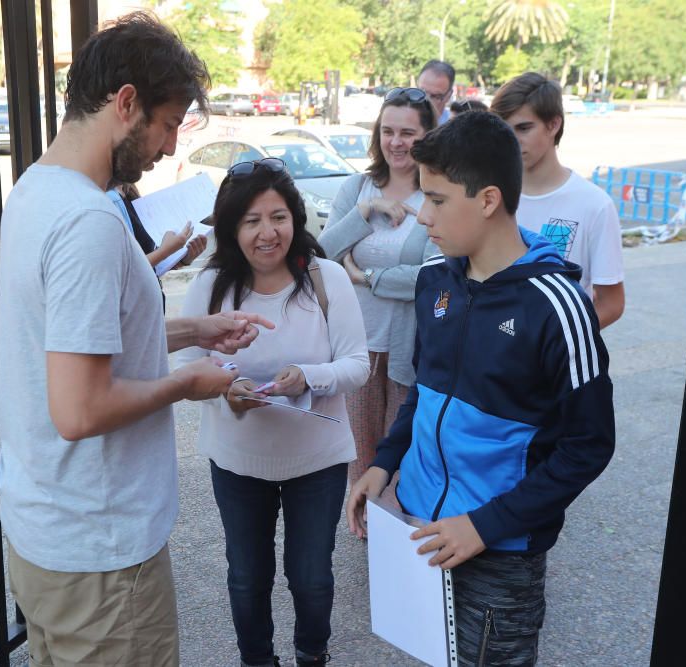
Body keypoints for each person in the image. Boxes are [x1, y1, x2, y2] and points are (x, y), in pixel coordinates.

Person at [0, 13, 274, 665]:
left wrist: (194, 329)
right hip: (103, 558)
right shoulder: (88, 221)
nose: (171, 148)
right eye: (169, 123)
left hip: (48, 532)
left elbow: (84, 345)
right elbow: (81, 408)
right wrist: (189, 381)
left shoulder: (37, 190)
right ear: (126, 104)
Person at [346, 112, 615, 665]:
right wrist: (384, 462)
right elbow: (425, 391)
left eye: (438, 200)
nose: (423, 216)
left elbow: (589, 445)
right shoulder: (434, 281)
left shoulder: (557, 307)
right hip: (421, 528)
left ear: (489, 199)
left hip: (501, 552)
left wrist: (484, 525)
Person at [177, 157, 369, 667]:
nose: (268, 232)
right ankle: (256, 660)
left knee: (311, 577)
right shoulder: (212, 286)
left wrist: (310, 376)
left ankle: (312, 655)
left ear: (296, 218)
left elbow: (356, 365)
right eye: (252, 220)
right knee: (246, 576)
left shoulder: (326, 278)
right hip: (238, 459)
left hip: (318, 458)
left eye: (279, 216)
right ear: (231, 228)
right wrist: (228, 387)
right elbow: (185, 368)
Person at [318, 87, 439, 488]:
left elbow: (431, 276)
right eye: (388, 131)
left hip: (411, 344)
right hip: (359, 342)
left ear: (427, 136)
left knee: (399, 450)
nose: (396, 142)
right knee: (359, 449)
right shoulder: (357, 189)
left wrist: (366, 277)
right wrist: (365, 213)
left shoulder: (436, 194)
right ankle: (363, 518)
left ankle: (394, 530)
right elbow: (320, 256)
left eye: (408, 133)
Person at [491, 72, 626, 328]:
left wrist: (556, 343)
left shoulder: (594, 204)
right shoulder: (489, 195)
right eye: (504, 130)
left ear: (553, 125)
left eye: (523, 128)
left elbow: (611, 303)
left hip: (555, 364)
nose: (512, 140)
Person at [106, 180, 208, 274]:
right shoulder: (110, 200)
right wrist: (164, 251)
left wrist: (182, 259)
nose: (154, 164)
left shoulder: (127, 191)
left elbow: (148, 262)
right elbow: (122, 272)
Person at [417, 60, 456, 124]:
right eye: (422, 92)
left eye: (435, 96)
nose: (425, 100)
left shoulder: (454, 128)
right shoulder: (401, 121)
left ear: (448, 96)